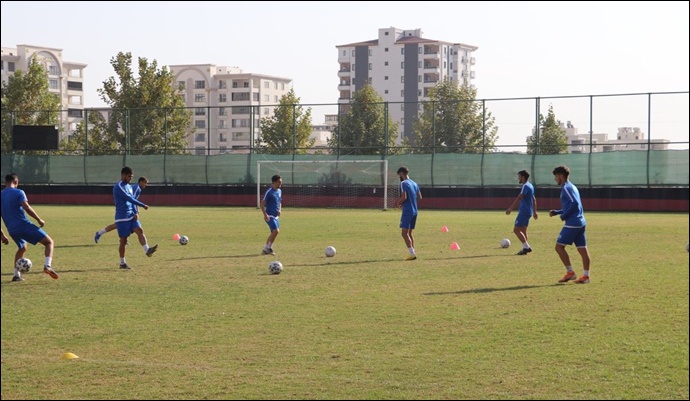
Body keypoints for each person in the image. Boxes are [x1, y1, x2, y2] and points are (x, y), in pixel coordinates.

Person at [1, 173, 60, 282]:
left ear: (5, 183)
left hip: (12, 230)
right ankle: (47, 266)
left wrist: (2, 236)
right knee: (49, 242)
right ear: (16, 182)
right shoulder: (19, 192)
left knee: (22, 247)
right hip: (23, 226)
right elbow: (26, 207)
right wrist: (39, 219)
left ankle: (16, 275)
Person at [549, 165, 591, 284]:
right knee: (582, 249)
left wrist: (564, 215)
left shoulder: (566, 187)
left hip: (573, 223)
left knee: (559, 247)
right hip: (580, 222)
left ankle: (570, 273)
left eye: (556, 176)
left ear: (561, 176)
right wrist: (557, 212)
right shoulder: (572, 187)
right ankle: (586, 276)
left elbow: (574, 204)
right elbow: (572, 205)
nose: (555, 179)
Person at [113, 167, 157, 269]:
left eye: (131, 177)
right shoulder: (118, 186)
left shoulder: (128, 186)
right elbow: (129, 198)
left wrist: (135, 212)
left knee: (140, 230)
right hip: (122, 217)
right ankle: (122, 263)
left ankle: (147, 250)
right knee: (123, 241)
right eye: (129, 176)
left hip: (130, 216)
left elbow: (132, 200)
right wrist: (143, 205)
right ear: (123, 175)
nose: (130, 179)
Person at [95, 176, 148, 243]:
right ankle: (100, 233)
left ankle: (101, 233)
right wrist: (135, 212)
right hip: (126, 210)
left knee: (121, 225)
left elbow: (134, 200)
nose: (146, 185)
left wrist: (137, 210)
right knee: (123, 225)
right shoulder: (136, 188)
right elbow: (131, 200)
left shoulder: (138, 188)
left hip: (128, 210)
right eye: (145, 183)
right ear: (141, 182)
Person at [505, 169, 538, 255]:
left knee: (516, 230)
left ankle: (527, 247)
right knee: (523, 231)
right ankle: (524, 249)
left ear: (523, 177)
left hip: (524, 211)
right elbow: (534, 199)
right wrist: (534, 212)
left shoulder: (525, 186)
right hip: (529, 211)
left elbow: (519, 197)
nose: (518, 178)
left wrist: (510, 208)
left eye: (519, 176)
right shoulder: (530, 186)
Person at [396, 166, 422, 260]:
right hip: (415, 211)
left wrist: (398, 203)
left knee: (404, 233)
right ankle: (413, 252)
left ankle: (412, 254)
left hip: (407, 211)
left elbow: (404, 197)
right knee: (409, 233)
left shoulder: (403, 183)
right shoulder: (414, 183)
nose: (400, 177)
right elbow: (420, 197)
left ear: (402, 173)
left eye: (399, 175)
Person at [260, 174, 282, 255]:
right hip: (270, 216)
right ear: (273, 182)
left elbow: (280, 202)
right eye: (279, 182)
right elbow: (262, 203)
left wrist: (279, 209)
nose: (280, 184)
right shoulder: (269, 192)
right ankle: (267, 248)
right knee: (276, 231)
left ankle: (266, 249)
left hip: (276, 216)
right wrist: (265, 215)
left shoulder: (279, 191)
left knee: (274, 233)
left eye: (281, 182)